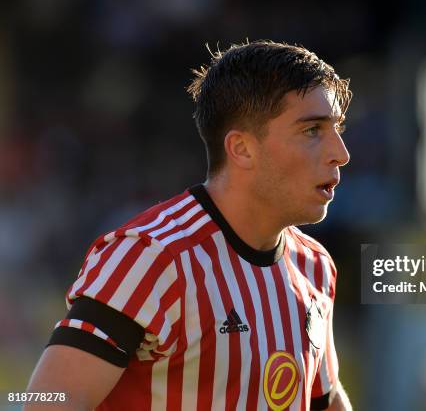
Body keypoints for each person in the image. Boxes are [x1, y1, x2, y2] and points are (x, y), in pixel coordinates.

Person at [26, 40, 353, 411]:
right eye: (312, 130)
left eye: (336, 128)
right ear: (242, 148)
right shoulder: (150, 256)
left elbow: (325, 399)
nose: (340, 152)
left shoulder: (314, 265)